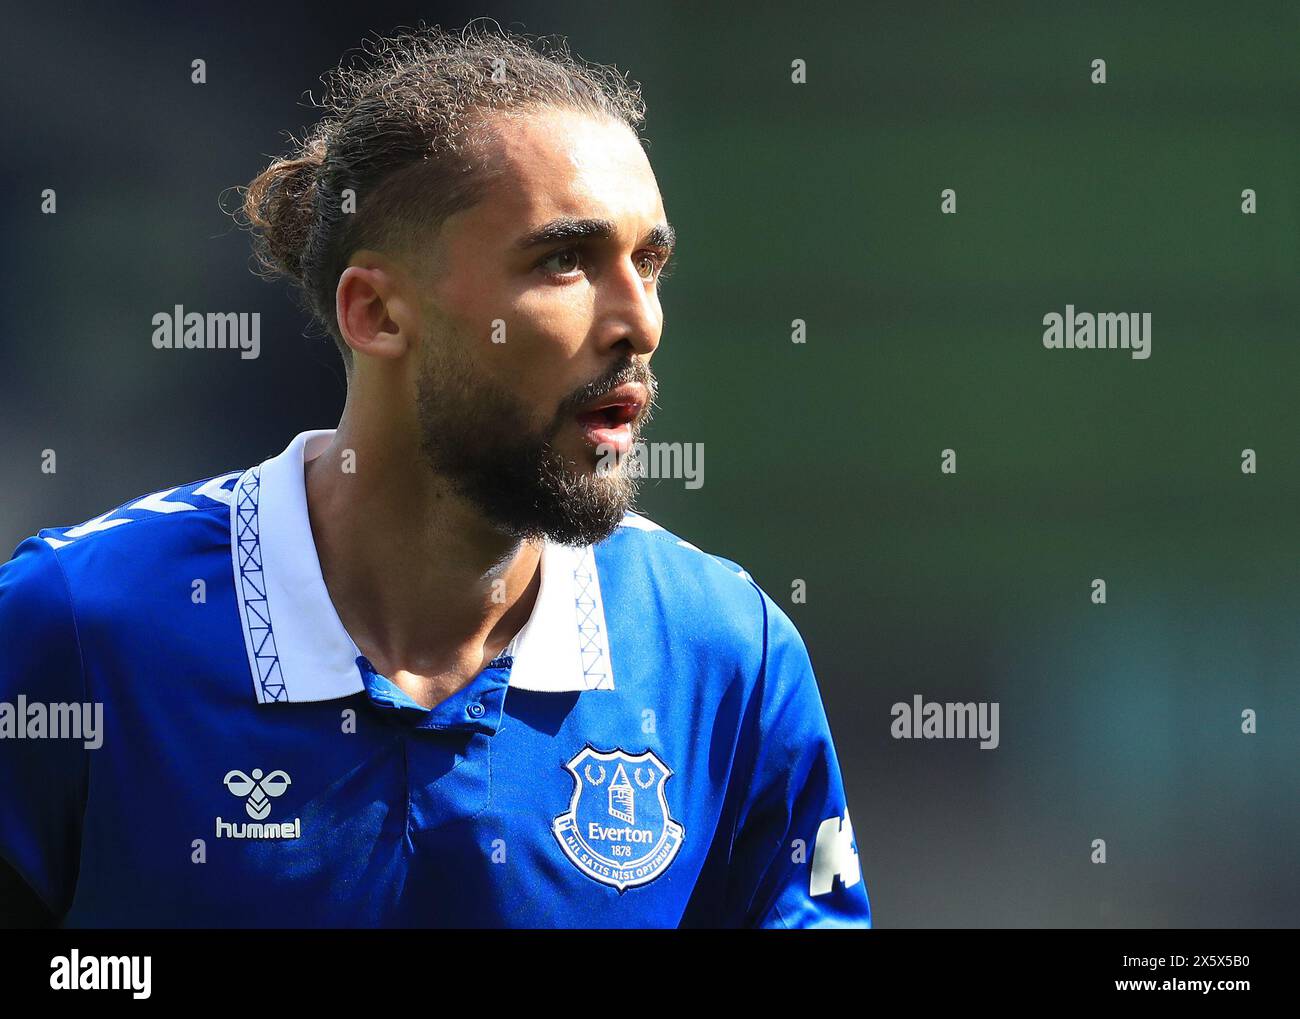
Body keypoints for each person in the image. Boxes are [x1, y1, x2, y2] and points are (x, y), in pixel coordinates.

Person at [0, 23, 870, 928]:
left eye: (649, 262)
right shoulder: (75, 628)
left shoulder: (724, 653)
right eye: (565, 260)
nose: (639, 323)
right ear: (375, 311)